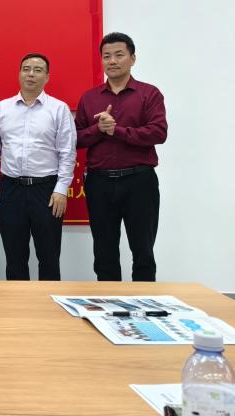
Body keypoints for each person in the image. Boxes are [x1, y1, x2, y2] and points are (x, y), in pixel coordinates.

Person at [75, 32, 167, 282]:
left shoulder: (149, 94)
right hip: (99, 182)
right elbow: (76, 138)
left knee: (143, 250)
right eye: (107, 56)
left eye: (119, 55)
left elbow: (159, 133)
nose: (112, 61)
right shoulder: (90, 98)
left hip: (140, 181)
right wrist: (99, 129)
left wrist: (117, 131)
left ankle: (144, 302)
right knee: (104, 252)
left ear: (132, 58)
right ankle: (108, 302)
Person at [0, 53, 76, 281]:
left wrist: (61, 189)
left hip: (47, 191)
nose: (31, 74)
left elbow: (67, 152)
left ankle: (48, 302)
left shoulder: (59, 108)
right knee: (14, 258)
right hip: (10, 189)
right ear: (19, 74)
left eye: (37, 70)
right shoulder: (3, 108)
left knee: (49, 257)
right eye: (26, 69)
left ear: (47, 77)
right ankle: (17, 303)